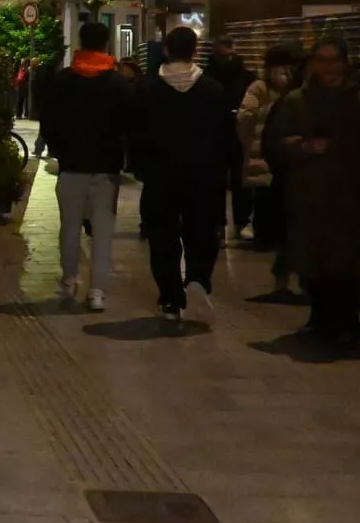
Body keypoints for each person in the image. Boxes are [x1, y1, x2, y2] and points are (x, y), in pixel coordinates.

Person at [270, 35, 360, 345]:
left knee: (345, 263)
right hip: (308, 195)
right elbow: (275, 143)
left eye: (334, 59)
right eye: (321, 59)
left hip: (350, 197)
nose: (327, 67)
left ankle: (347, 321)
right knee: (313, 262)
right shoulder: (296, 101)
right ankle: (320, 318)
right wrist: (303, 146)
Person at [128, 26, 237, 321]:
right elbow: (226, 137)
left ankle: (170, 297)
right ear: (195, 51)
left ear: (166, 49)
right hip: (203, 177)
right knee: (201, 232)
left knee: (162, 236)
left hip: (160, 177)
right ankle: (198, 279)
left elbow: (134, 132)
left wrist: (139, 166)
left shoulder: (146, 88)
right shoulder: (212, 90)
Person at [39, 21, 128, 312]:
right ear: (106, 45)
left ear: (80, 42)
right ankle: (98, 291)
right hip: (106, 169)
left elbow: (49, 121)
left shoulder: (63, 80)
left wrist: (59, 150)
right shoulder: (118, 83)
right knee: (103, 231)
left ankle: (69, 279)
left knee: (70, 226)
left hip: (71, 166)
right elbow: (129, 125)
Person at [239, 46, 300, 293]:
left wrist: (250, 142)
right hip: (285, 157)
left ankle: (267, 240)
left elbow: (244, 118)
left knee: (269, 200)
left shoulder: (260, 87)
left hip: (265, 153)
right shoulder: (298, 89)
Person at [208, 37, 256, 238]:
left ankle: (238, 221)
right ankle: (226, 222)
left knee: (238, 180)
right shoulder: (244, 77)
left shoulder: (208, 77)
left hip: (232, 135)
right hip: (220, 135)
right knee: (221, 181)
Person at [29, 51, 64, 156]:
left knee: (45, 129)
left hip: (45, 106)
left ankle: (42, 149)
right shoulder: (52, 76)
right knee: (48, 129)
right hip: (50, 106)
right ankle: (48, 150)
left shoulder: (41, 74)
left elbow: (37, 92)